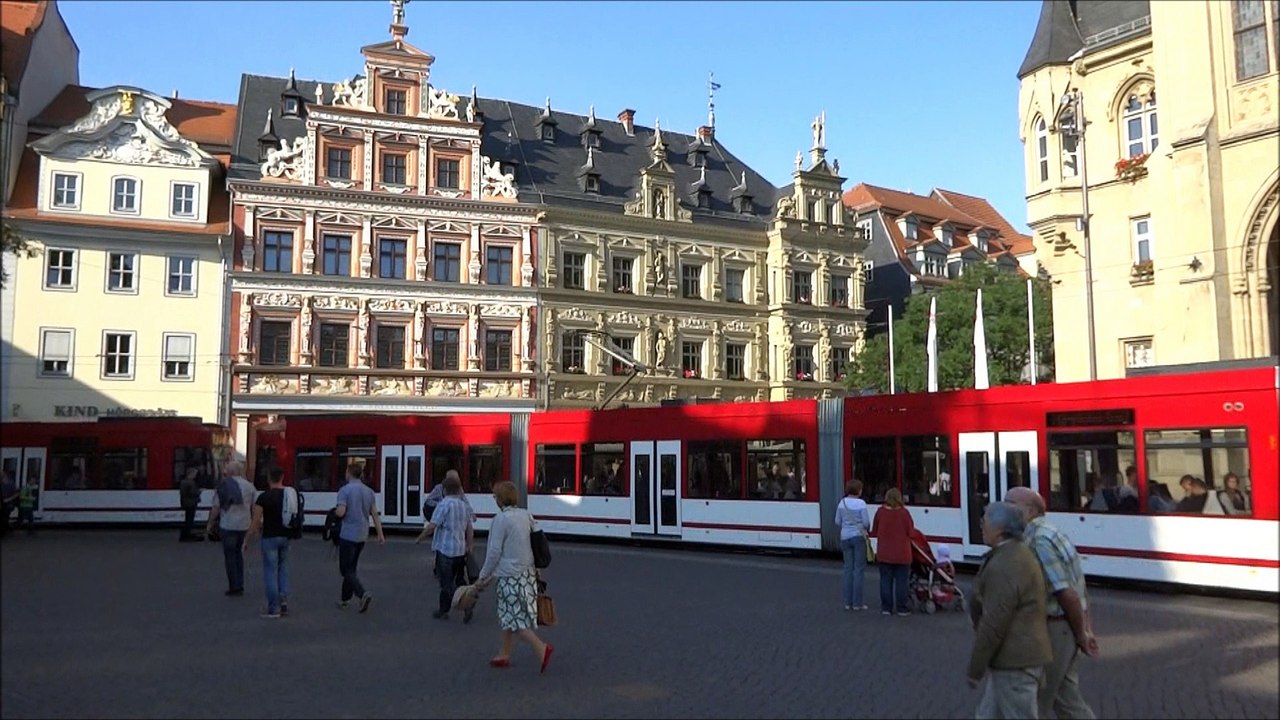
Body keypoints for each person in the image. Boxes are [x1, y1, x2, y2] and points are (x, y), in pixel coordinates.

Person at [1006, 486, 1098, 720]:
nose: (1003, 509)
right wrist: (1085, 628)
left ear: (1029, 511)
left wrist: (1082, 633)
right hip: (1065, 628)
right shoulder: (1052, 532)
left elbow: (1066, 592)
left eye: (1009, 504)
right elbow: (1079, 584)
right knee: (1067, 701)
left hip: (1055, 629)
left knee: (1036, 702)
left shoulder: (1038, 541)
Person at [966, 501, 1053, 720]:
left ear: (999, 528)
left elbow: (995, 621)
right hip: (1015, 659)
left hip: (1015, 661)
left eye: (984, 520)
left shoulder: (1005, 564)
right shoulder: (1016, 554)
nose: (981, 525)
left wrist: (976, 668)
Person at [474, 481, 554, 673]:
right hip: (527, 574)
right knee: (509, 614)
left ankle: (541, 648)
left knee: (514, 620)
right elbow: (536, 544)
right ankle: (504, 653)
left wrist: (482, 575)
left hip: (509, 576)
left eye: (495, 496)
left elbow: (494, 552)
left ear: (500, 499)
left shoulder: (500, 520)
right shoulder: (526, 515)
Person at [416, 471, 475, 622]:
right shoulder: (464, 506)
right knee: (454, 580)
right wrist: (470, 545)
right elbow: (469, 528)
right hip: (460, 550)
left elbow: (433, 525)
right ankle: (443, 610)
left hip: (445, 550)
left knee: (446, 583)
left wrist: (420, 538)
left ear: (444, 490)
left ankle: (465, 603)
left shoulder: (444, 505)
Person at [335, 462, 384, 613]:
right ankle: (345, 599)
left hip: (348, 534)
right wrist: (380, 533)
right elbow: (374, 514)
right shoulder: (369, 491)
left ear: (349, 473)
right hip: (362, 534)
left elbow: (341, 512)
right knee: (352, 568)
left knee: (345, 569)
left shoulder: (344, 490)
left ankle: (362, 594)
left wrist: (335, 512)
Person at [247, 467, 295, 619]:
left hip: (269, 537)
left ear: (269, 478)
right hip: (286, 536)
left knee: (270, 571)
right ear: (282, 477)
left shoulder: (264, 497)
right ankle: (284, 603)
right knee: (283, 569)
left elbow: (256, 521)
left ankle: (274, 608)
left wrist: (248, 538)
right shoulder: (289, 495)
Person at [205, 459, 257, 597]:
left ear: (230, 472)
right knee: (239, 555)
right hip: (244, 525)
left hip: (228, 525)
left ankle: (234, 586)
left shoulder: (223, 486)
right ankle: (240, 583)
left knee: (230, 556)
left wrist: (210, 523)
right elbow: (254, 507)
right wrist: (255, 525)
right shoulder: (250, 486)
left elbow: (216, 507)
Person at [870, 487, 915, 616]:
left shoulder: (880, 512)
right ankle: (901, 608)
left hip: (884, 553)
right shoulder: (905, 513)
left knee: (885, 581)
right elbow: (911, 532)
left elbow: (874, 530)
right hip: (902, 554)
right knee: (902, 582)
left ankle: (886, 607)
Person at [834, 479, 870, 611]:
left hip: (845, 537)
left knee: (848, 569)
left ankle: (847, 603)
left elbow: (837, 521)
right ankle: (857, 603)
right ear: (859, 491)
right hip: (858, 537)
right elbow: (866, 523)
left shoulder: (842, 503)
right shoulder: (861, 503)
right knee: (858, 570)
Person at [178, 467, 203, 542]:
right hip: (191, 503)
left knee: (187, 519)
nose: (195, 475)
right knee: (189, 520)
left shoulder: (183, 482)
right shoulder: (191, 482)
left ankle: (185, 534)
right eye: (195, 474)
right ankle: (187, 535)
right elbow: (193, 492)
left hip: (186, 503)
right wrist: (199, 491)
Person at [0, 470, 17, 538]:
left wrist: (8, 499)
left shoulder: (10, 484)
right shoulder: (2, 483)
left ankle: (4, 532)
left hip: (8, 504)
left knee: (4, 518)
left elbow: (16, 494)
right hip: (4, 504)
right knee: (4, 518)